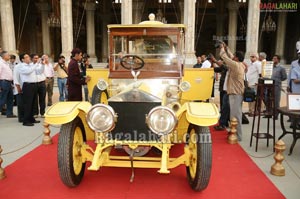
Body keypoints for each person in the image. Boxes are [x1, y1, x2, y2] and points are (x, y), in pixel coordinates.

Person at [219, 43, 245, 141]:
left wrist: (222, 49)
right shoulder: (240, 64)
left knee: (236, 115)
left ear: (237, 58)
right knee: (233, 115)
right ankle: (234, 132)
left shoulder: (236, 65)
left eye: (235, 56)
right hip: (235, 93)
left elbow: (225, 58)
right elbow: (231, 56)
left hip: (235, 93)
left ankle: (238, 135)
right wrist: (227, 48)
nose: (233, 57)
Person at [18, 53, 44, 126]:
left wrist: (42, 64)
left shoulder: (31, 65)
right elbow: (28, 71)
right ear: (23, 59)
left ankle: (31, 118)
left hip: (34, 85)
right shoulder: (22, 66)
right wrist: (36, 63)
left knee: (33, 103)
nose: (28, 58)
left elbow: (39, 72)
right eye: (26, 57)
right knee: (28, 104)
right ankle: (25, 121)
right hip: (27, 86)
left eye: (28, 57)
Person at [0, 51, 17, 118]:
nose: (9, 56)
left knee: (10, 98)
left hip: (9, 82)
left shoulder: (6, 63)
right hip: (3, 82)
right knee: (2, 99)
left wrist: (12, 83)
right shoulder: (1, 63)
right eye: (8, 55)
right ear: (4, 56)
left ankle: (9, 113)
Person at [270, 55, 287, 119]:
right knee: (268, 99)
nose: (273, 60)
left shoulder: (281, 68)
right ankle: (270, 112)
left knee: (276, 100)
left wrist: (278, 80)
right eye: (273, 58)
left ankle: (276, 114)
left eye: (275, 58)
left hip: (277, 86)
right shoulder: (271, 67)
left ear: (278, 60)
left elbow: (284, 77)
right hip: (269, 85)